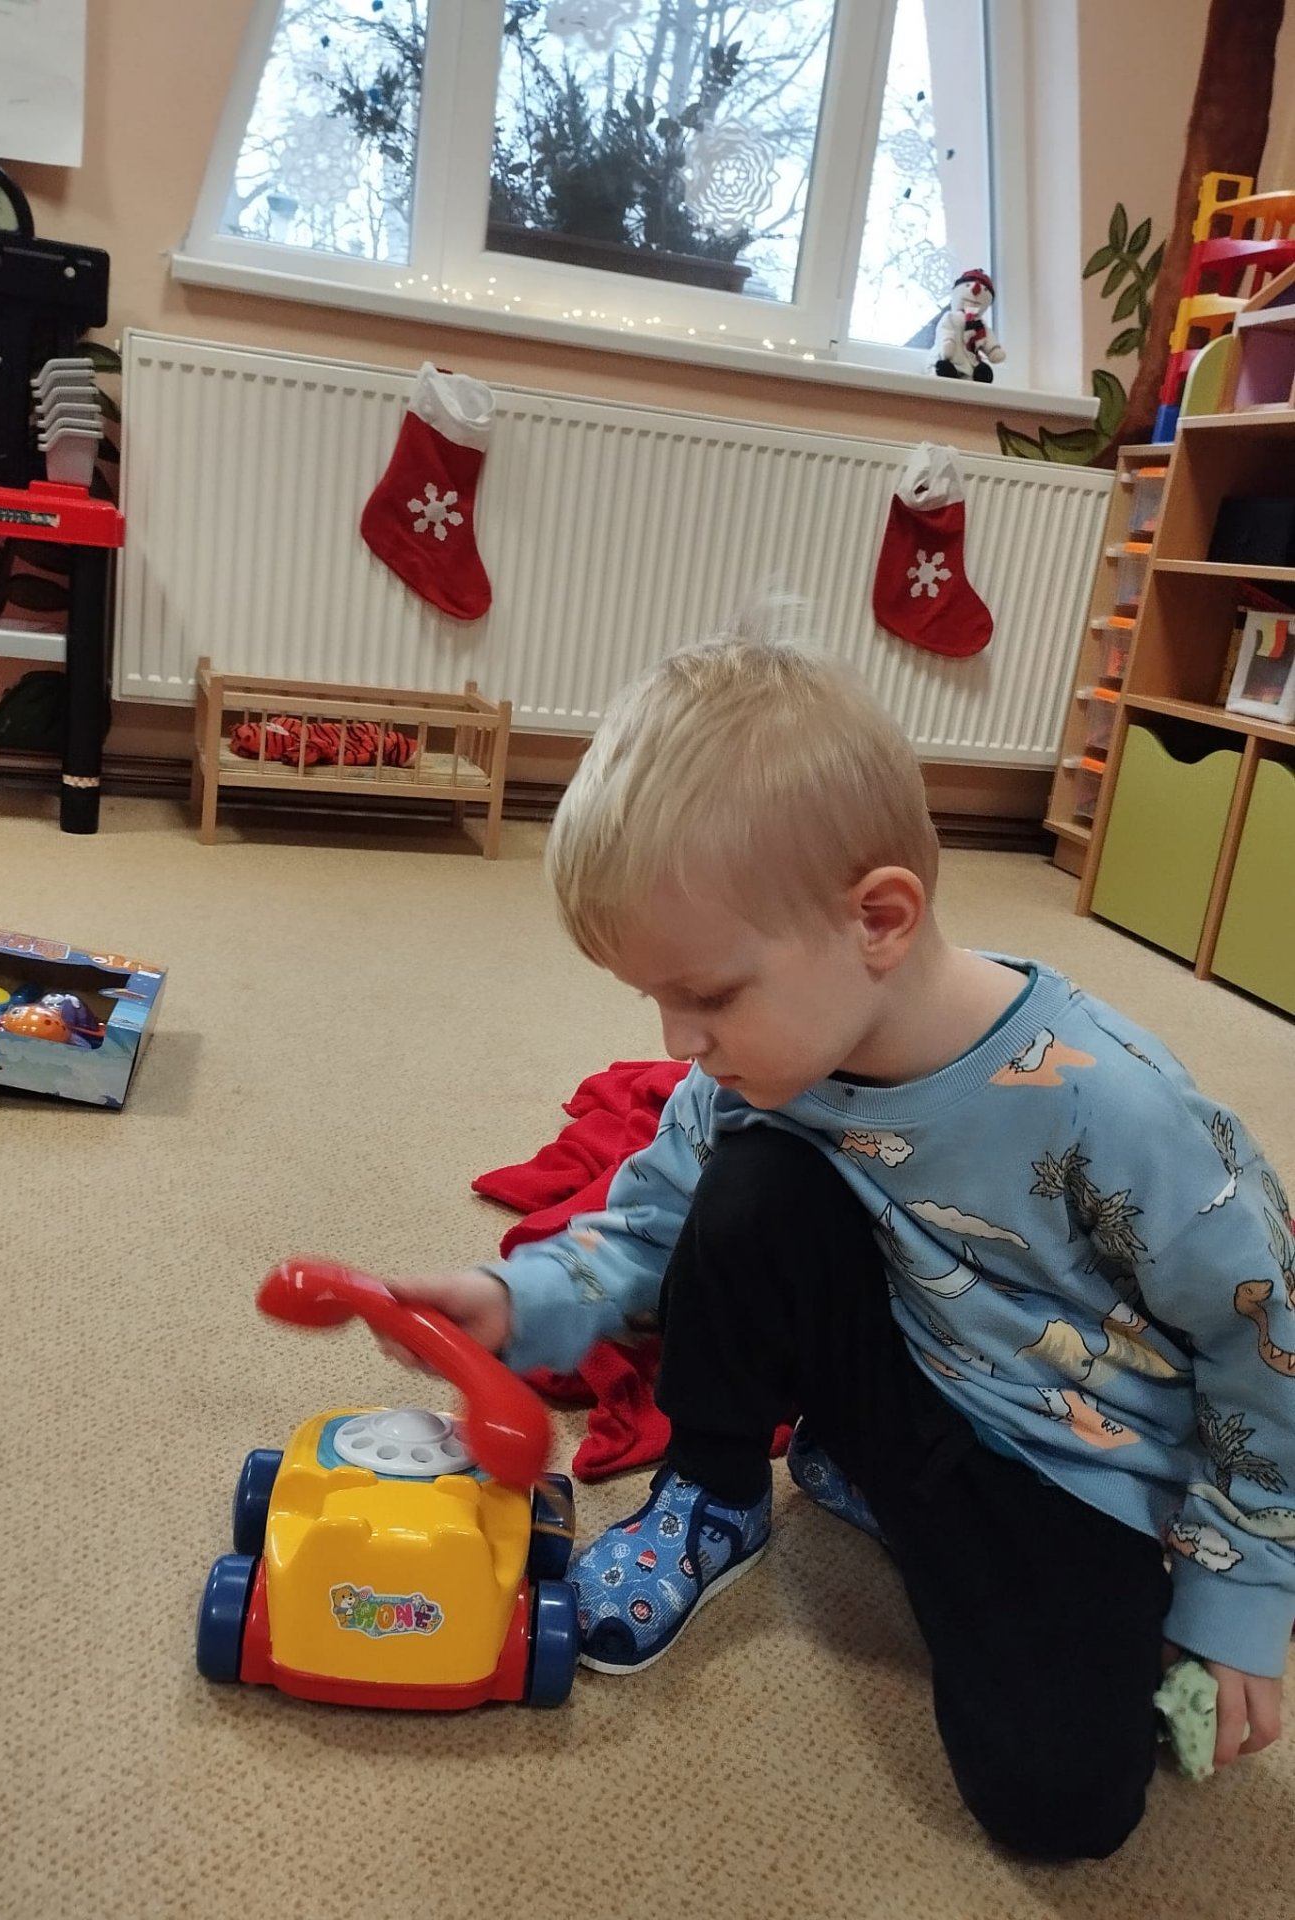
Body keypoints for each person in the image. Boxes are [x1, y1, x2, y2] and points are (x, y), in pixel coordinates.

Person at [376, 626, 1292, 1860]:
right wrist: (516, 1295)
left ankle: (901, 1503)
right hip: (905, 1364)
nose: (677, 1040)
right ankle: (714, 1493)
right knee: (748, 1186)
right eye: (656, 999)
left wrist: (1240, 1592)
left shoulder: (1116, 1106)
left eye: (708, 994)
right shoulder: (751, 1076)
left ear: (879, 919)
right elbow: (648, 1225)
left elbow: (1264, 1345)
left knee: (1064, 1803)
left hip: (1078, 1462)